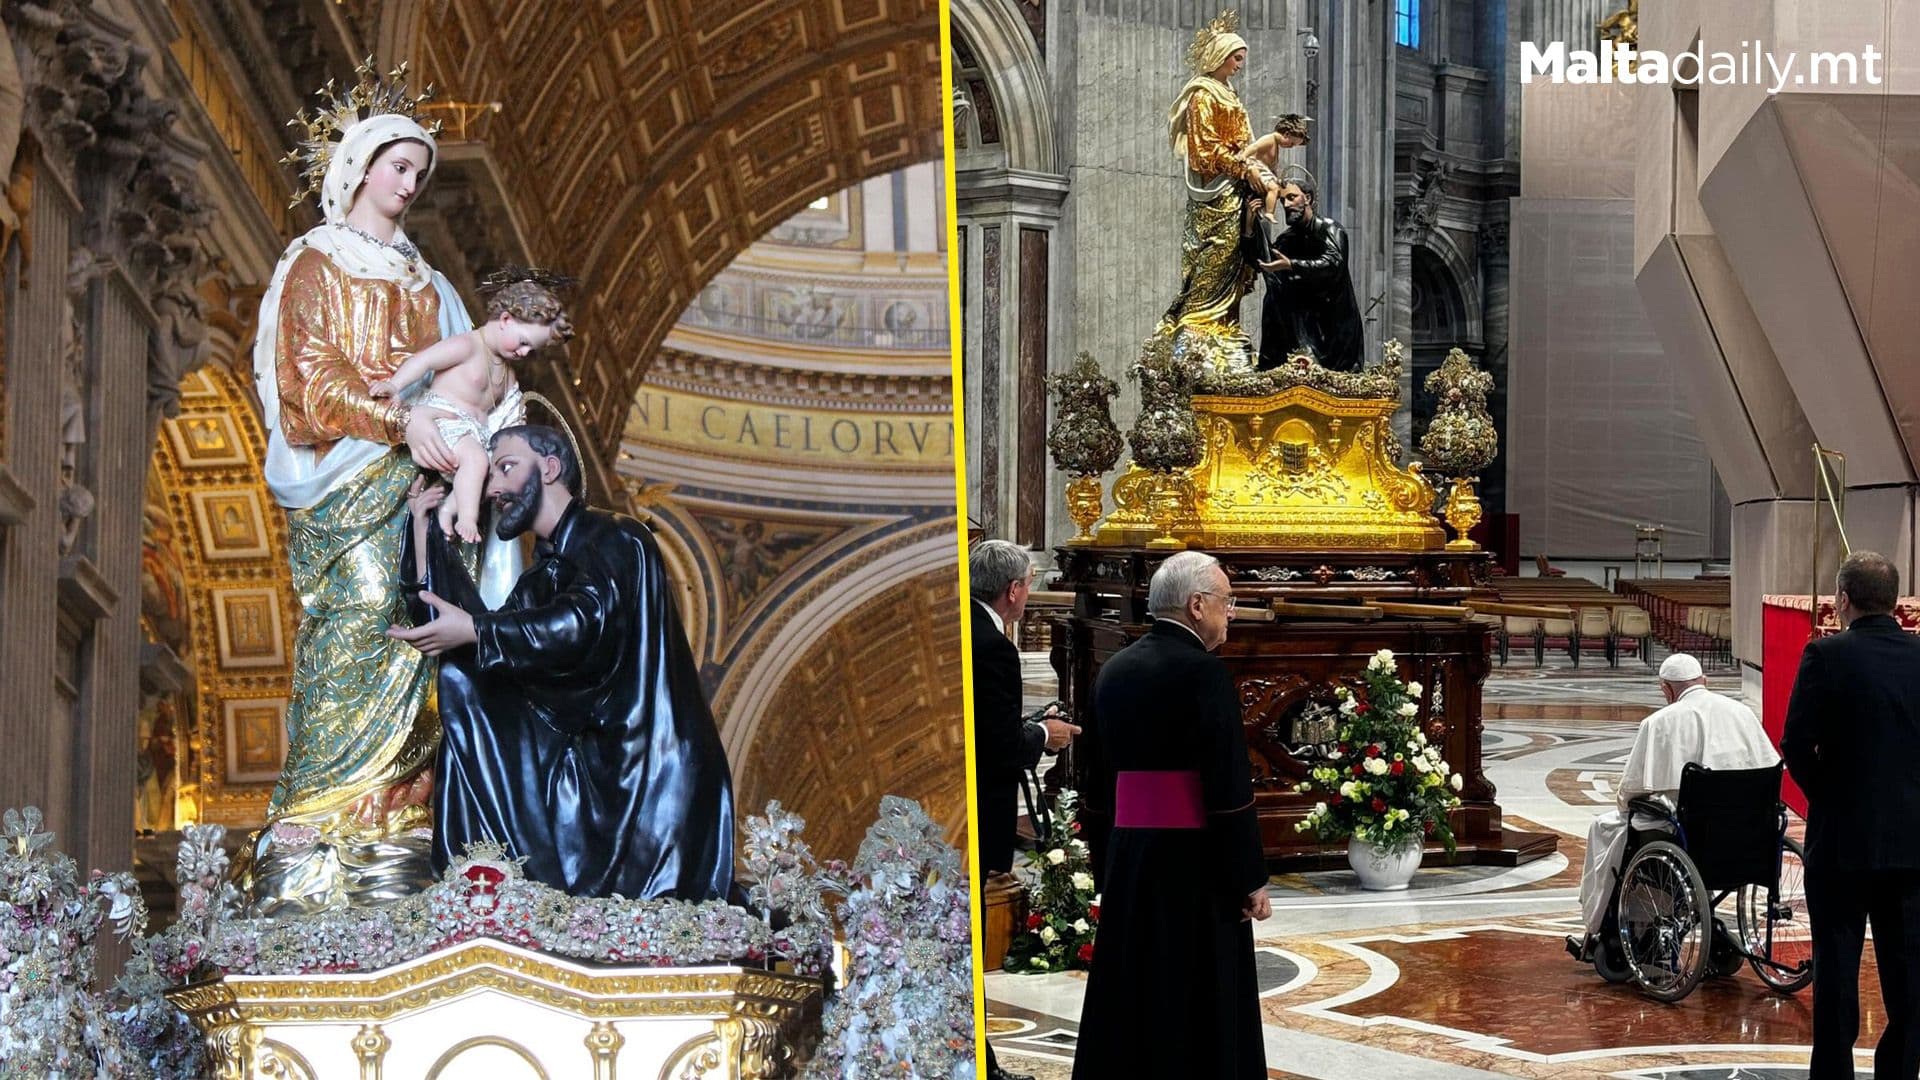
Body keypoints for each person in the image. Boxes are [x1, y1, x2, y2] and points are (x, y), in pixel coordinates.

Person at [243, 66, 511, 918]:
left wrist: (467, 439)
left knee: (427, 642)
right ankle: (315, 827)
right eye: (399, 166)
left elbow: (476, 382)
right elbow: (307, 384)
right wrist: (401, 425)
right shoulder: (317, 262)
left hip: (420, 491)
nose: (411, 184)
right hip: (347, 479)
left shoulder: (432, 286)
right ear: (359, 168)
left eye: (421, 173)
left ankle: (394, 830)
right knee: (359, 620)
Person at [387, 426, 734, 901]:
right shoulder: (542, 575)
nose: (493, 489)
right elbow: (482, 646)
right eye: (489, 476)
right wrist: (425, 533)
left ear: (550, 468)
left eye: (506, 468)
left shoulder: (615, 536)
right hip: (588, 768)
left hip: (648, 770)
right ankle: (490, 883)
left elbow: (585, 621)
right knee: (467, 684)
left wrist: (476, 631)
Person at [1073, 551, 1268, 1080]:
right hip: (1194, 862)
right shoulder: (1204, 674)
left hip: (1131, 853)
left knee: (1134, 981)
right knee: (1196, 990)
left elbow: (1093, 777)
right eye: (1227, 602)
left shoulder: (1115, 667)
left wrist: (1102, 854)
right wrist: (1249, 877)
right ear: (1197, 605)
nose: (1231, 612)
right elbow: (1228, 788)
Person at [1783, 551, 1920, 1079]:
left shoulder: (1826, 655)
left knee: (1837, 977)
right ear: (1896, 602)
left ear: (1842, 600)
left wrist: (1829, 797)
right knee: (1910, 984)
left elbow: (1796, 742)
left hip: (1841, 845)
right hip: (1911, 846)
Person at [1566, 652, 1778, 960]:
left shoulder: (1660, 722)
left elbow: (1631, 792)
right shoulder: (1742, 714)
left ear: (1666, 689)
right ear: (1704, 681)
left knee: (1605, 828)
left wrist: (1629, 803)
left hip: (1686, 838)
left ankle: (1607, 928)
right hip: (1748, 836)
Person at [369, 272, 571, 542]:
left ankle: (448, 511)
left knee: (494, 472)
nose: (524, 353)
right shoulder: (469, 345)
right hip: (444, 420)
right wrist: (394, 386)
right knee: (475, 460)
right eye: (523, 342)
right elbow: (425, 361)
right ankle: (466, 518)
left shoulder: (508, 374)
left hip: (474, 434)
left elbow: (509, 415)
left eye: (531, 350)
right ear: (506, 320)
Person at [1145, 10, 1259, 373]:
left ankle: (1223, 324)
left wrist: (1256, 165)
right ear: (1220, 57)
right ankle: (1196, 321)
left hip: (1237, 188)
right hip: (1216, 190)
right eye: (1237, 58)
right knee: (1216, 251)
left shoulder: (1229, 92)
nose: (1240, 65)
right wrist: (1243, 166)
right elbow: (1205, 149)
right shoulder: (1202, 95)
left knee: (1237, 255)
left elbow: (1244, 140)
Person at [970, 540, 1080, 876]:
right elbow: (1002, 748)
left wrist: (1029, 723)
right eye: (1030, 584)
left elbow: (985, 719)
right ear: (1014, 589)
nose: (1029, 593)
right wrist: (1046, 732)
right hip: (983, 806)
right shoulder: (992, 646)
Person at [1254, 176, 1364, 372]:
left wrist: (1292, 265)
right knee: (1274, 296)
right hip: (1303, 319)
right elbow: (1262, 261)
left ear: (1308, 199)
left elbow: (1333, 263)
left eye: (1291, 197)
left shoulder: (1329, 228)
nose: (1286, 204)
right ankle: (1272, 364)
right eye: (1282, 200)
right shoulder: (1288, 239)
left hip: (1332, 322)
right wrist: (1250, 222)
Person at [1241, 114, 1310, 224]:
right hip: (1256, 168)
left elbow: (1272, 169)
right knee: (1273, 188)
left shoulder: (1275, 146)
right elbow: (1253, 147)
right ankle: (1269, 212)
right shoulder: (1269, 140)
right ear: (1286, 134)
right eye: (1292, 144)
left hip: (1263, 172)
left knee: (1276, 189)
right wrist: (1244, 158)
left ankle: (1265, 210)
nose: (1291, 147)